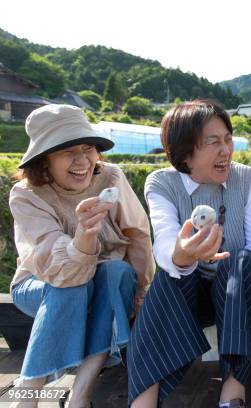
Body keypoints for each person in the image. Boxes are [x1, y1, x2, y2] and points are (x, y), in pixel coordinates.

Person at [127, 99, 251, 408]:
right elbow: (165, 242)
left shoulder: (247, 179)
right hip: (190, 293)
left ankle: (233, 391)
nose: (226, 150)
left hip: (236, 292)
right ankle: (143, 400)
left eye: (228, 139)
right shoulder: (162, 183)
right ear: (185, 153)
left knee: (245, 260)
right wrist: (183, 254)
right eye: (213, 142)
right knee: (168, 276)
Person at [9, 104, 154, 407]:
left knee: (118, 271)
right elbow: (57, 266)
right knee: (73, 283)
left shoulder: (111, 178)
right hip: (39, 285)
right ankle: (28, 393)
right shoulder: (27, 195)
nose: (81, 161)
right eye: (67, 151)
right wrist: (83, 238)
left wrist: (142, 291)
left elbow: (138, 235)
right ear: (43, 160)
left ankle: (82, 390)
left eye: (87, 148)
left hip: (101, 281)